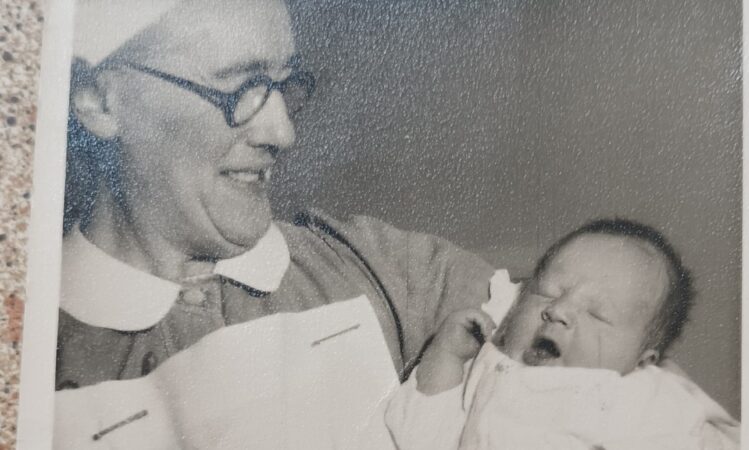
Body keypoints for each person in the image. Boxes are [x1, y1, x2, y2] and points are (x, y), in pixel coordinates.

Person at [55, 0, 493, 446]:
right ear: (98, 102)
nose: (283, 133)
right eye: (240, 88)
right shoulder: (33, 358)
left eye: (283, 84)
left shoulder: (385, 271)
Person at [385, 219, 740, 449]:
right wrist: (445, 357)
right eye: (548, 292)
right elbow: (424, 434)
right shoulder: (489, 366)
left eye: (597, 314)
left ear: (641, 360)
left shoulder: (641, 394)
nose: (559, 310)